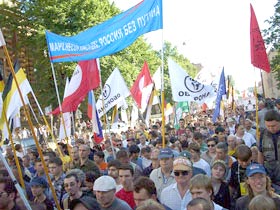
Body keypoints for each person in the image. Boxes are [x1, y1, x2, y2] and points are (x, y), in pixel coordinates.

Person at [258, 109, 280, 194]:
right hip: (269, 173)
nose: (271, 128)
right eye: (268, 126)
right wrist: (261, 170)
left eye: (274, 125)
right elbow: (260, 153)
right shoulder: (263, 134)